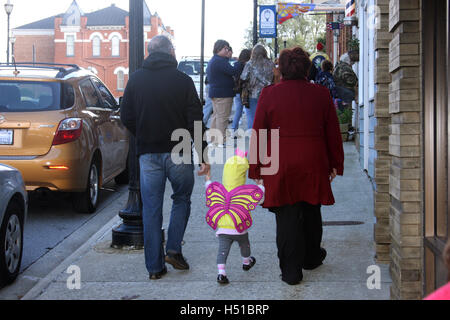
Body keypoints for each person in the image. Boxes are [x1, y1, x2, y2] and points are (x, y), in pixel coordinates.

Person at [249, 47, 345, 285]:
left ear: (281, 68)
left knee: (286, 214)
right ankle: (311, 257)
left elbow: (259, 132)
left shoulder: (269, 94)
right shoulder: (321, 94)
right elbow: (333, 132)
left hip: (280, 161)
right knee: (311, 208)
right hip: (313, 158)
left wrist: (256, 168)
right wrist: (335, 163)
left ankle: (291, 271)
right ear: (306, 68)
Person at [121, 35, 211, 280]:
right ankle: (173, 249)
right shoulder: (182, 81)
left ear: (149, 52)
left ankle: (154, 267)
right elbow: (195, 120)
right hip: (179, 151)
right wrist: (203, 154)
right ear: (170, 52)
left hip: (148, 154)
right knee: (181, 198)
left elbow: (125, 115)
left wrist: (143, 134)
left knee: (151, 209)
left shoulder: (136, 80)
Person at [205, 149, 265, 285]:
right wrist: (260, 185)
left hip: (223, 228)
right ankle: (246, 261)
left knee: (222, 251)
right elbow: (259, 198)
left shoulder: (218, 190)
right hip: (239, 227)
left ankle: (221, 273)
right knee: (244, 244)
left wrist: (208, 178)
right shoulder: (245, 192)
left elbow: (208, 188)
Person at [207, 40, 243, 147]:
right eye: (226, 49)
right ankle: (220, 141)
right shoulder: (220, 61)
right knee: (222, 117)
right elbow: (234, 71)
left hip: (216, 93)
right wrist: (239, 62)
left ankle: (213, 140)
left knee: (216, 117)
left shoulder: (215, 60)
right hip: (223, 94)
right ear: (219, 49)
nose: (228, 51)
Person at [240, 44, 274, 130]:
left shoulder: (250, 64)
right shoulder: (271, 64)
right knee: (266, 118)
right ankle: (265, 140)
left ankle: (254, 140)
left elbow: (243, 77)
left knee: (252, 119)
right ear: (264, 52)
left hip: (252, 94)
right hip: (267, 94)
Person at [231, 49, 252, 136]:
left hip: (237, 91)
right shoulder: (247, 66)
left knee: (238, 112)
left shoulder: (235, 65)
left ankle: (233, 130)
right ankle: (250, 132)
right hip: (245, 92)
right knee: (249, 112)